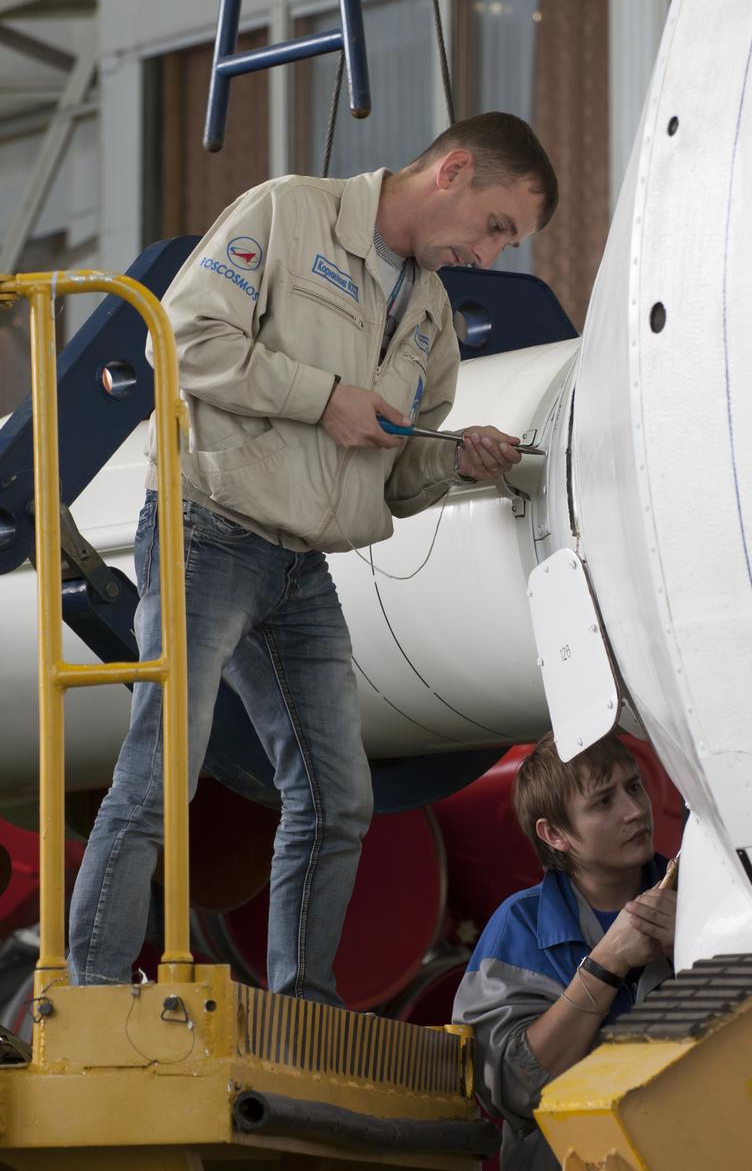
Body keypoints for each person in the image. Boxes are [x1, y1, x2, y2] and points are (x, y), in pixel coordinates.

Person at [68, 112, 559, 1004]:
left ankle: (304, 1007)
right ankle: (91, 991)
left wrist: (452, 456)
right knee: (156, 774)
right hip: (207, 526)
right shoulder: (289, 215)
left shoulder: (430, 318)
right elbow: (176, 341)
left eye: (508, 243)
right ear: (452, 169)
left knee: (339, 799)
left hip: (301, 568)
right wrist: (324, 396)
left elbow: (394, 468)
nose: (492, 255)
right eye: (496, 226)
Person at [452, 732, 677, 1170]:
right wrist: (606, 964)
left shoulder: (705, 903)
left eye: (634, 787)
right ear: (554, 833)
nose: (635, 811)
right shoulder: (518, 930)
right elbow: (515, 1093)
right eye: (603, 802)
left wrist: (696, 945)